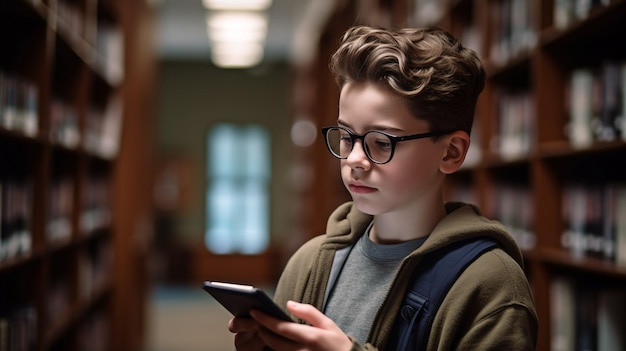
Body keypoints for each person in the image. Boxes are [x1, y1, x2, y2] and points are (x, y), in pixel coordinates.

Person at [228, 25, 538, 351]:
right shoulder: (310, 264)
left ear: (451, 153)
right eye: (347, 137)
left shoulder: (489, 285)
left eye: (381, 142)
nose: (355, 160)